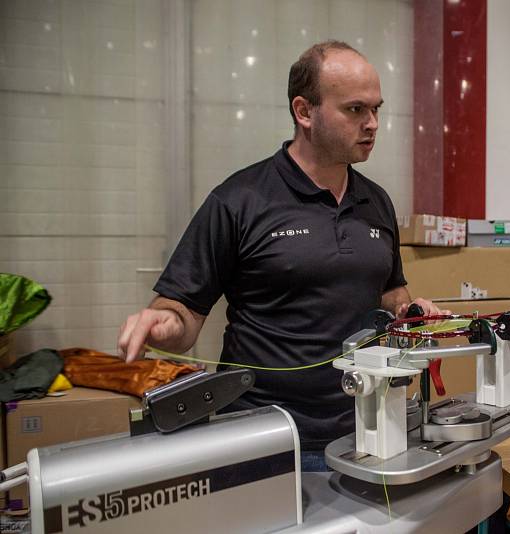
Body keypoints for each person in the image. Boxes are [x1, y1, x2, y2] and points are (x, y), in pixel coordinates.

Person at [117, 41, 444, 469]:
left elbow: (389, 292)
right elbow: (184, 318)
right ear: (304, 111)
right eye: (355, 110)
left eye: (377, 109)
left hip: (364, 432)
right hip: (262, 438)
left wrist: (410, 311)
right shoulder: (239, 200)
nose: (373, 124)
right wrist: (164, 323)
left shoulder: (376, 202)